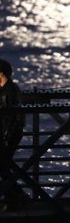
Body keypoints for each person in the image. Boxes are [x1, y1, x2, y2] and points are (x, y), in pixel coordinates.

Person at [0, 58, 26, 211]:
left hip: (11, 134)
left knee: (3, 166)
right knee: (4, 166)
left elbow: (13, 117)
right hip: (6, 134)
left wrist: (6, 136)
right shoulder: (5, 89)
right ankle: (15, 196)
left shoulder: (11, 91)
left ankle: (16, 197)